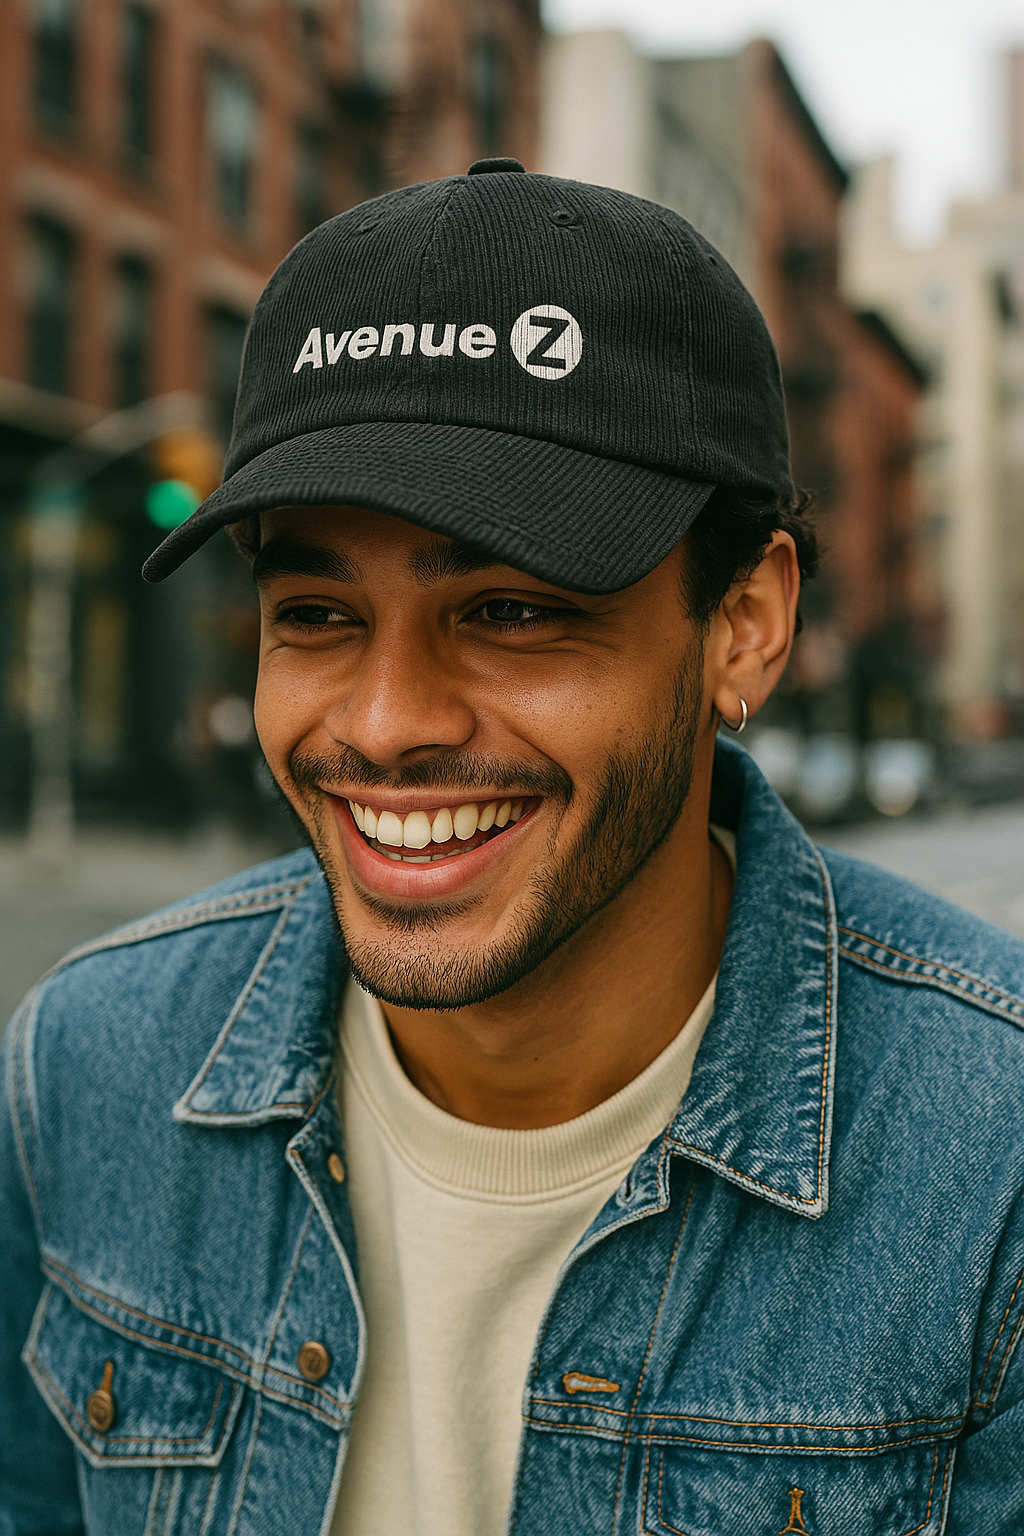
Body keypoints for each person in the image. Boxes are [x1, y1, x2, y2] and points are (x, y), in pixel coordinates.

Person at [2, 158, 1023, 1536]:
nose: (385, 723)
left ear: (744, 623)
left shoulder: (994, 1165)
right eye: (316, 614)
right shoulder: (85, 1067)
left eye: (513, 611)